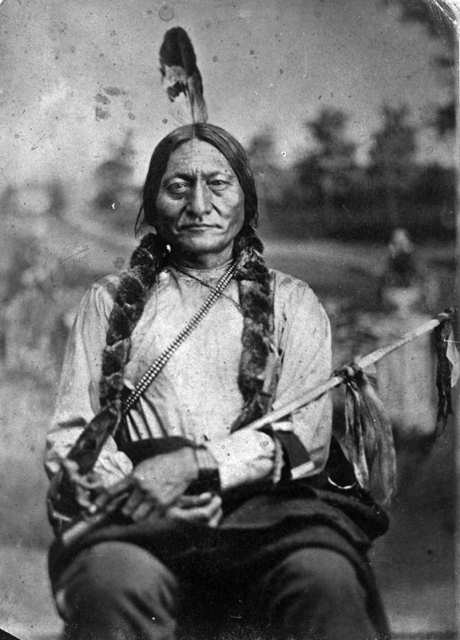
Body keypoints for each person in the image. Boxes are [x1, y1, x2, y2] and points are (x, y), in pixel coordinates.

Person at [45, 123, 390, 640]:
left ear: (246, 201)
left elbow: (307, 444)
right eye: (178, 186)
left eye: (218, 184)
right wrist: (136, 488)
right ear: (152, 202)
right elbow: (72, 436)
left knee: (324, 579)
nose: (199, 205)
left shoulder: (293, 303)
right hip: (143, 510)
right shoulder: (108, 302)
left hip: (272, 515)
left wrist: (195, 465)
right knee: (110, 582)